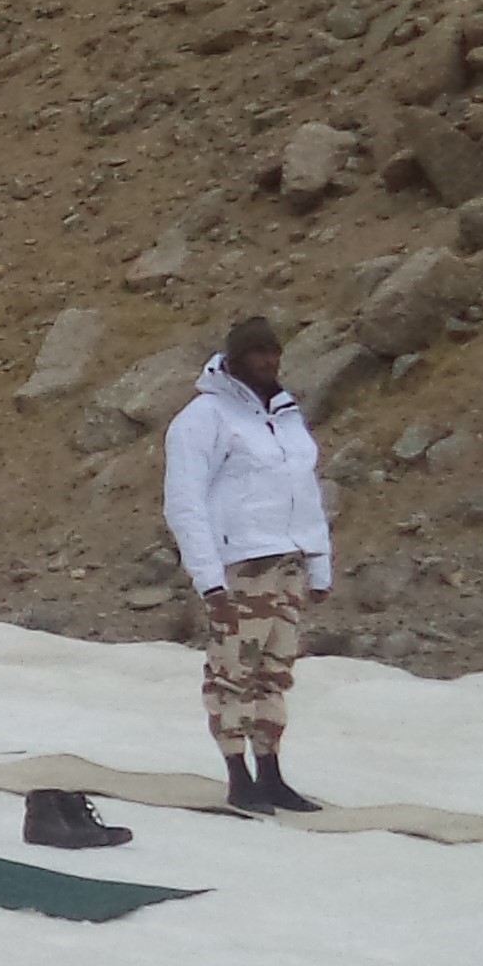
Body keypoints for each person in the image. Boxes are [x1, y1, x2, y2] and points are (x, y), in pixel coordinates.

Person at [161, 314, 334, 811]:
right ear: (234, 360)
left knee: (275, 672)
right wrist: (208, 578)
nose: (269, 360)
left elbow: (306, 492)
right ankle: (237, 773)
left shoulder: (285, 415)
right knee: (232, 671)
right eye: (258, 352)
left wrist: (318, 563)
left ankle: (271, 770)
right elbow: (185, 502)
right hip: (241, 564)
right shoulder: (203, 418)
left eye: (275, 351)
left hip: (288, 564)